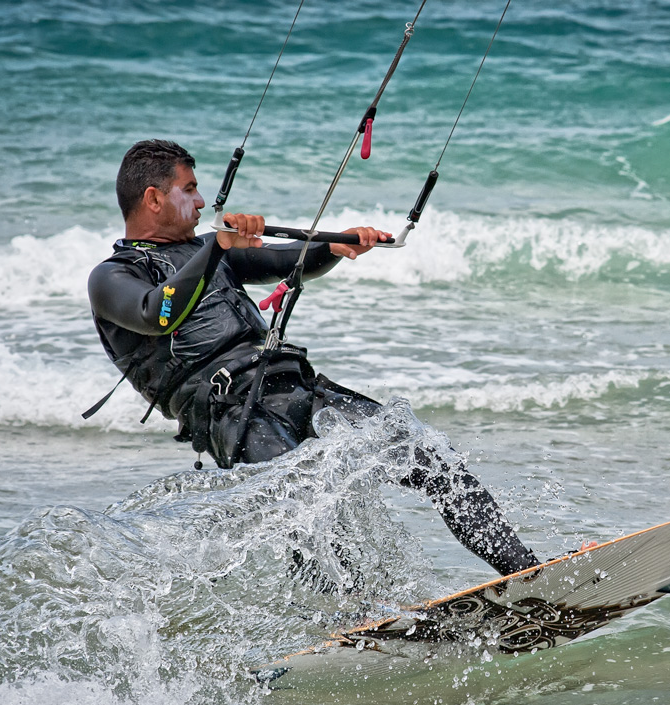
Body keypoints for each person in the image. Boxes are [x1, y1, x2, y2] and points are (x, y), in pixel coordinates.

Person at [87, 139, 539, 577]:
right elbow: (158, 313)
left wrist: (335, 246)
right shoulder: (111, 278)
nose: (202, 200)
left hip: (296, 387)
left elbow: (290, 260)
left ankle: (527, 572)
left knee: (430, 459)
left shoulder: (206, 251)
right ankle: (360, 624)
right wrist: (216, 247)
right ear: (152, 198)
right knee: (308, 515)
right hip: (235, 417)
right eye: (189, 189)